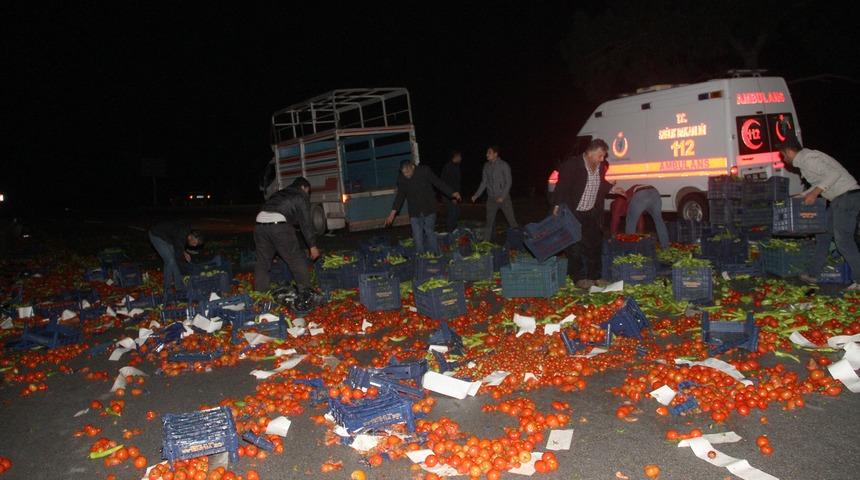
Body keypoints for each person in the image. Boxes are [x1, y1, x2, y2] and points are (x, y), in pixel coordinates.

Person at [777, 138, 860, 290]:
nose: (783, 158)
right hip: (839, 199)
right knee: (823, 235)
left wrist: (815, 193)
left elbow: (833, 174)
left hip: (847, 197)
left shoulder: (809, 159)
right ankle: (813, 273)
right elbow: (820, 181)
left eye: (783, 155)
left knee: (844, 240)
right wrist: (803, 195)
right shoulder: (805, 161)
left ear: (789, 151)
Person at [551, 138, 625, 289]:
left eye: (603, 156)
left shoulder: (600, 166)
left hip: (591, 213)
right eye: (600, 155)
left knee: (595, 246)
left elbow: (600, 184)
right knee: (575, 247)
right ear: (590, 153)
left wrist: (612, 189)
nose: (602, 159)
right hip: (574, 213)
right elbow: (561, 187)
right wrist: (557, 205)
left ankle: (595, 277)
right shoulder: (572, 165)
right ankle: (579, 277)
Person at [254, 177, 320, 295]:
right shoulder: (301, 195)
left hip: (259, 224)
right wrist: (312, 245)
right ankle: (306, 292)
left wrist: (271, 249)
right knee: (295, 259)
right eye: (308, 191)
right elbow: (305, 222)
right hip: (278, 225)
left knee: (262, 263)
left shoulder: (280, 193)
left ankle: (261, 295)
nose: (308, 195)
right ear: (303, 187)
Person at [385, 160, 461, 253]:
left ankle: (435, 254)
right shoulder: (401, 179)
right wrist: (392, 214)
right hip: (414, 211)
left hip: (429, 208)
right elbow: (400, 196)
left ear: (413, 167)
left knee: (429, 231)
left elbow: (438, 183)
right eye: (404, 173)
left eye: (408, 172)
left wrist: (452, 192)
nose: (407, 175)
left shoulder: (424, 171)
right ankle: (420, 256)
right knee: (417, 235)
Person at [471, 145, 517, 242]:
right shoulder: (486, 166)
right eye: (487, 153)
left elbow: (508, 182)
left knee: (512, 221)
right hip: (491, 199)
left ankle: (519, 241)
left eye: (489, 153)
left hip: (504, 199)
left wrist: (502, 196)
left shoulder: (504, 165)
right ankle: (485, 243)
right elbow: (484, 182)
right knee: (489, 222)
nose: (487, 154)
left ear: (495, 154)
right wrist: (476, 195)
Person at [148, 220, 203, 294]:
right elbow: (178, 253)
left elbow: (178, 243)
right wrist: (186, 271)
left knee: (173, 260)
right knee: (170, 261)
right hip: (156, 235)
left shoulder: (185, 234)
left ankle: (179, 286)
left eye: (195, 244)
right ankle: (167, 289)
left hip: (168, 238)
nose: (194, 245)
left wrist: (184, 252)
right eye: (194, 243)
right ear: (190, 237)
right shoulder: (182, 235)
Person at [622, 184, 670, 248]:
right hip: (654, 192)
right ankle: (665, 246)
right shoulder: (637, 187)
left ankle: (630, 247)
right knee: (659, 221)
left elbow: (628, 200)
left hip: (641, 193)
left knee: (631, 221)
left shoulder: (629, 192)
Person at [440, 150, 462, 231]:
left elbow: (456, 183)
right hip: (449, 196)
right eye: (460, 156)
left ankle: (454, 230)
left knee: (457, 212)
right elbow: (446, 183)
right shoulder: (449, 167)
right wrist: (452, 197)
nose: (461, 158)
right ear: (455, 157)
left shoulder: (456, 166)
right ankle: (450, 232)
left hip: (454, 195)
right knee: (453, 213)